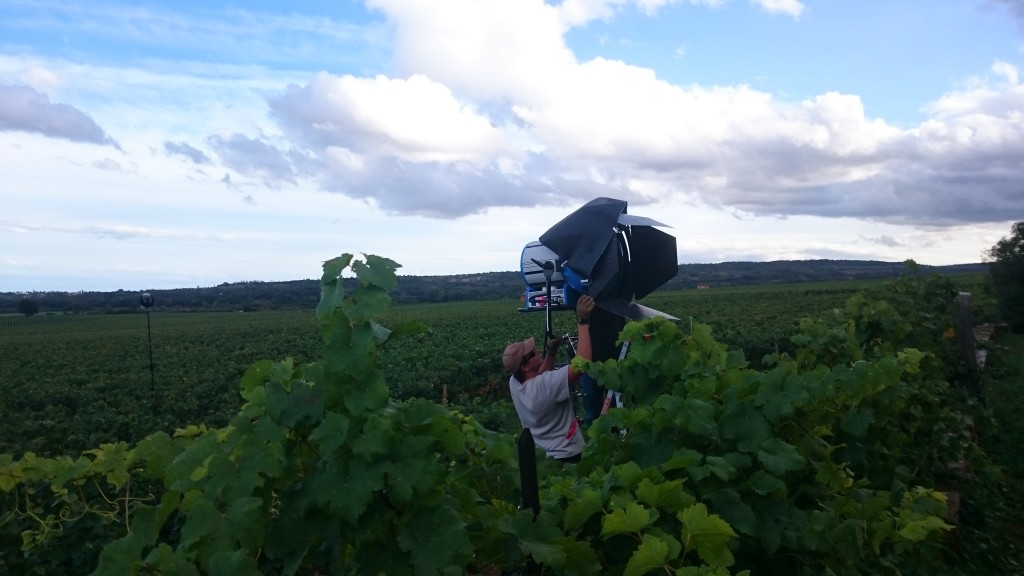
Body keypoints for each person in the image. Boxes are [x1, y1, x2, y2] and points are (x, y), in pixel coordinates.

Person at [503, 294, 595, 463]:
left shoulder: (515, 383)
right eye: (532, 353)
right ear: (524, 366)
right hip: (568, 454)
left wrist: (551, 352)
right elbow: (582, 364)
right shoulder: (545, 385)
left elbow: (539, 376)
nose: (538, 350)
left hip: (545, 456)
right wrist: (582, 321)